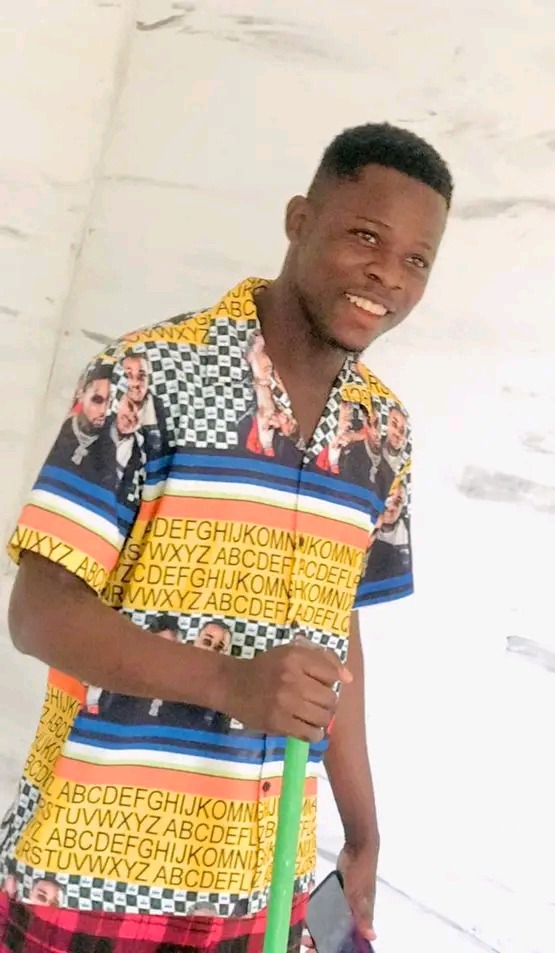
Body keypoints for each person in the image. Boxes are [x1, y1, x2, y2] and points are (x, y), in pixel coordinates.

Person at [2, 121, 452, 953]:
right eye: (365, 236)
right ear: (298, 219)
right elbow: (38, 611)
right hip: (93, 873)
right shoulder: (146, 375)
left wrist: (362, 830)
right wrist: (229, 680)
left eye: (416, 260)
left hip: (260, 885)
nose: (388, 274)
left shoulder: (382, 432)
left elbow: (336, 635)